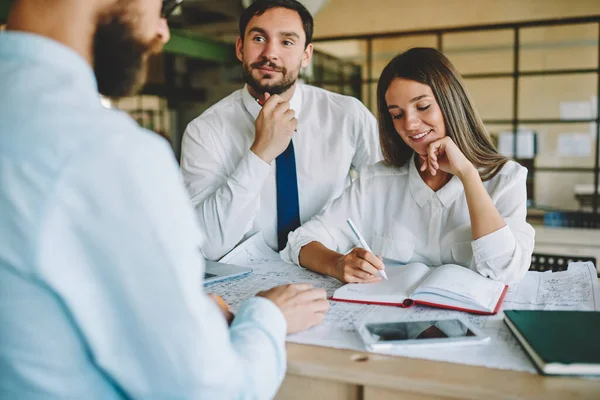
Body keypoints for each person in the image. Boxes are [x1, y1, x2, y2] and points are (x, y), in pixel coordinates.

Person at [0, 1, 329, 399]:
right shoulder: (110, 153)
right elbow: (208, 390)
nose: (161, 32)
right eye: (162, 5)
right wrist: (267, 316)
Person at [281, 48, 535, 285]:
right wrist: (337, 263)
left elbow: (505, 270)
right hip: (391, 321)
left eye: (423, 106)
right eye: (397, 114)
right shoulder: (376, 181)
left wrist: (468, 175)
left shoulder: (506, 179)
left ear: (451, 103)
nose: (410, 124)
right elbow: (299, 242)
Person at [180, 0, 381, 260]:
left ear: (306, 55)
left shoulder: (347, 115)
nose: (270, 53)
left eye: (287, 42)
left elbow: (386, 195)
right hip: (246, 280)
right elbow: (207, 246)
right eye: (259, 38)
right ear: (240, 47)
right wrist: (259, 154)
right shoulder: (204, 130)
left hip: (334, 268)